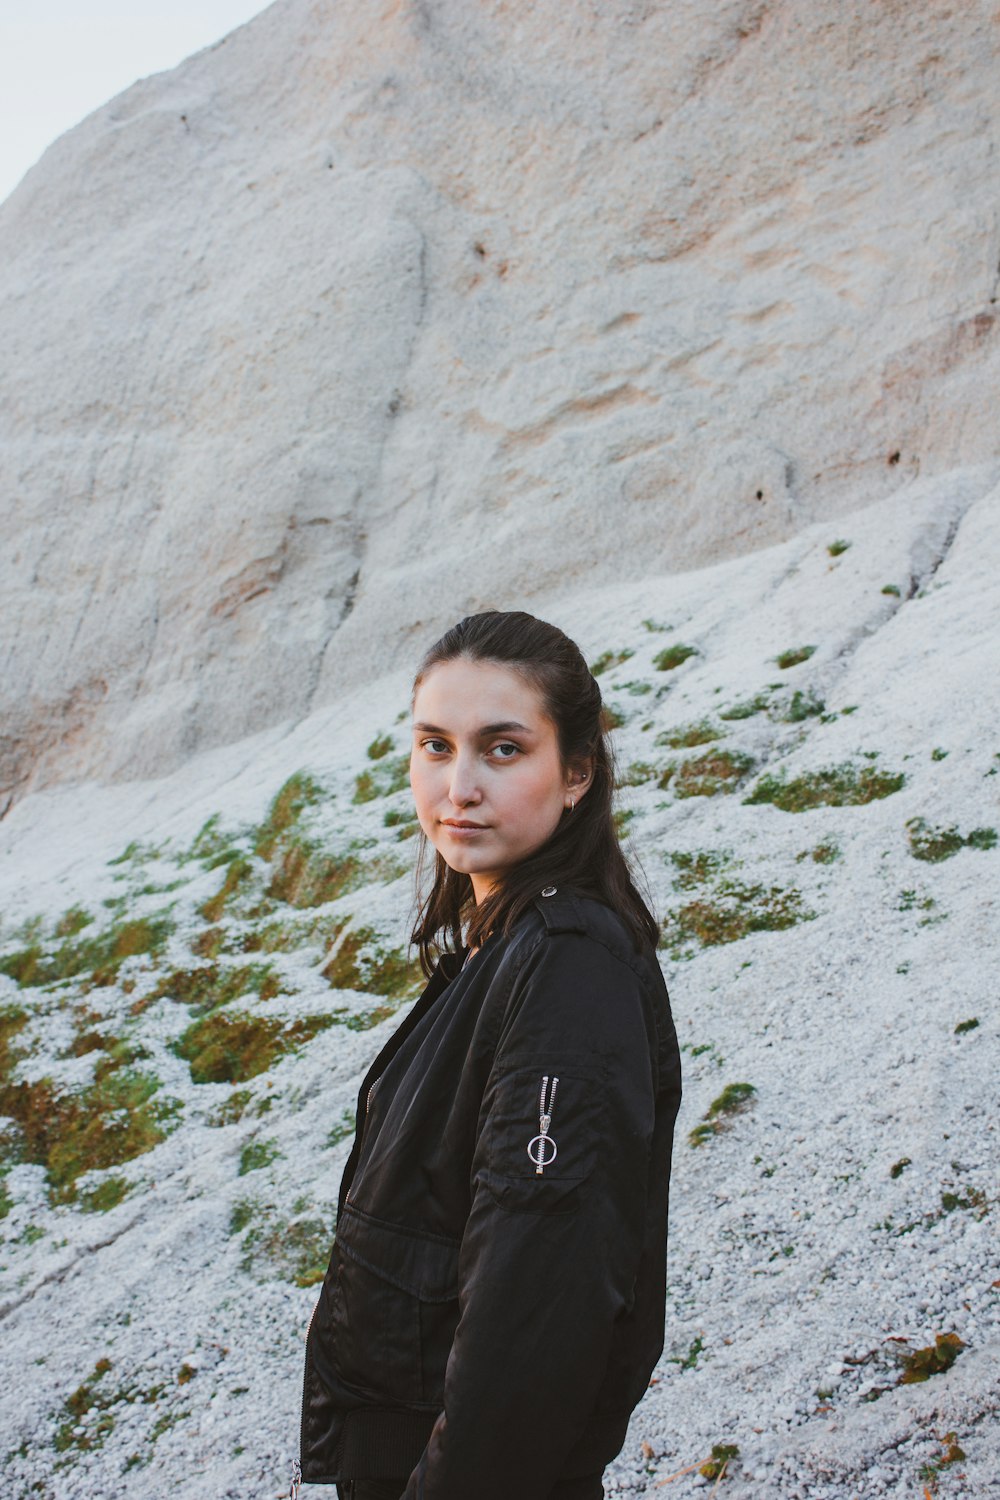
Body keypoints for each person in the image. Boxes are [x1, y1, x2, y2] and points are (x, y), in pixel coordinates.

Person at [296, 610, 683, 1500]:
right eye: (435, 745)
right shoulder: (501, 941)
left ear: (576, 770)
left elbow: (539, 1303)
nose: (458, 785)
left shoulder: (568, 969)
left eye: (502, 750)